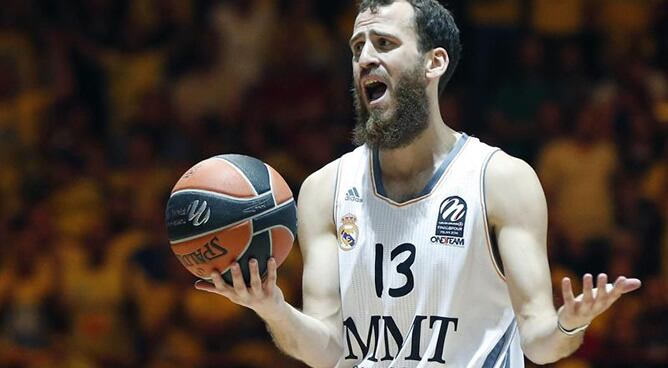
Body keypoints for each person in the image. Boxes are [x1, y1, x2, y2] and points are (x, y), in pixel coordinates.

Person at [194, 0, 642, 366]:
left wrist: (569, 323)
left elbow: (539, 343)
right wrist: (271, 307)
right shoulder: (323, 190)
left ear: (434, 62)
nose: (366, 57)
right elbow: (326, 348)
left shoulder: (500, 180)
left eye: (384, 42)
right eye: (357, 48)